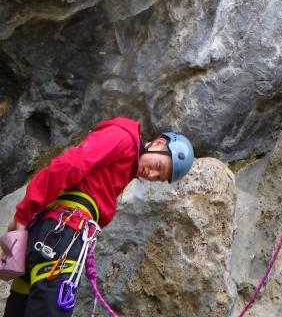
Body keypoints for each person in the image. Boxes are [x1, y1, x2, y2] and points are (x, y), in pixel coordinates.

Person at [2, 116, 194, 317]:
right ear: (159, 143)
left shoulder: (125, 165)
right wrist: (23, 214)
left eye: (159, 178)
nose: (152, 175)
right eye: (159, 166)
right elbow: (70, 164)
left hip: (51, 234)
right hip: (63, 236)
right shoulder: (124, 138)